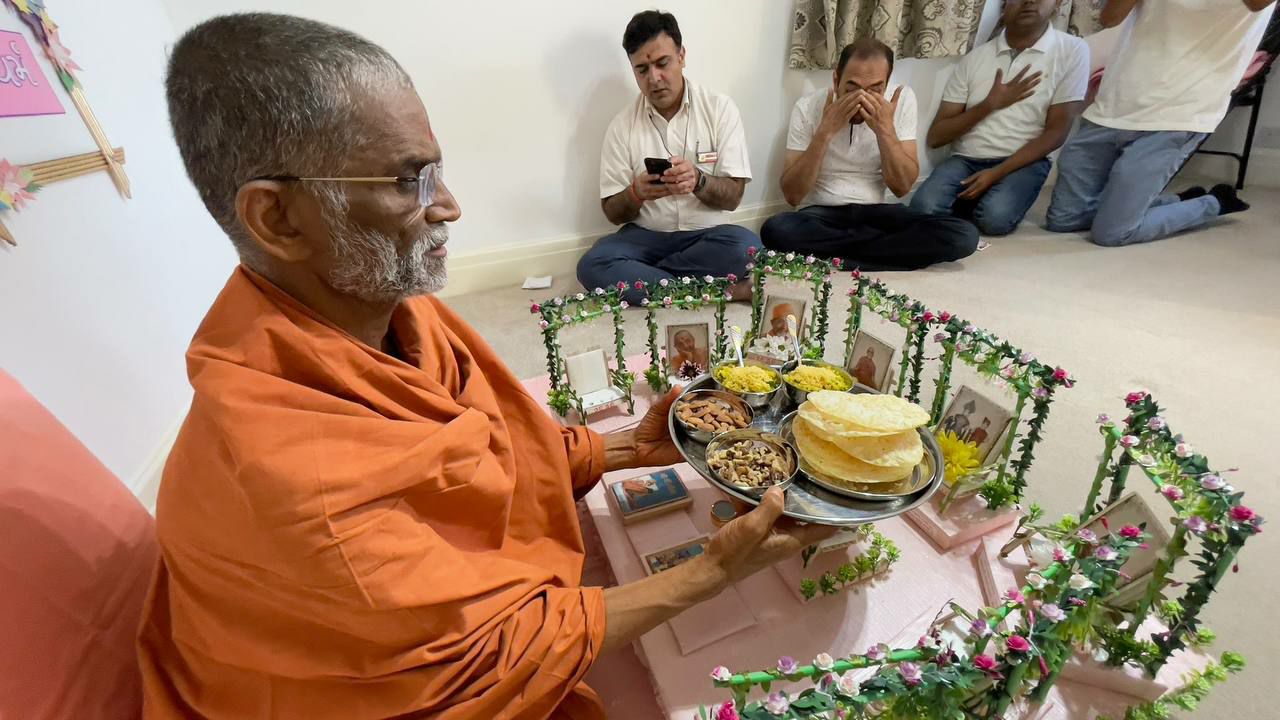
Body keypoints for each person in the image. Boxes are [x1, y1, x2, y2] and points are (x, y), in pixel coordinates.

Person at [140, 13, 833, 719]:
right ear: (279, 219)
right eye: (408, 179)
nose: (449, 206)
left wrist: (623, 448)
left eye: (435, 170)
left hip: (708, 234)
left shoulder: (392, 310)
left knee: (744, 248)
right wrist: (714, 570)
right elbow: (494, 655)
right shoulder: (291, 475)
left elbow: (493, 452)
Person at [1046, 0, 1276, 246]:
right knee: (1064, 220)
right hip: (1116, 99)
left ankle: (1215, 203)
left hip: (1178, 113)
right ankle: (1172, 202)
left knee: (1112, 233)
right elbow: (1110, 18)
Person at [578, 10, 760, 305]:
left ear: (681, 56)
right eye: (642, 70)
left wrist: (698, 180)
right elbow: (612, 212)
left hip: (707, 236)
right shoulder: (621, 125)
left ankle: (651, 282)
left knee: (748, 250)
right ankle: (717, 291)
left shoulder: (720, 109)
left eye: (662, 63)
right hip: (646, 238)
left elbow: (733, 197)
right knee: (592, 264)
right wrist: (636, 193)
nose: (654, 78)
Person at [761, 39, 979, 269]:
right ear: (836, 80)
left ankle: (841, 258)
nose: (861, 99)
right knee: (776, 230)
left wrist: (885, 131)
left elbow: (901, 187)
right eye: (851, 89)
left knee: (964, 235)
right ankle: (883, 255)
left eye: (874, 90)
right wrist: (825, 132)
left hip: (877, 214)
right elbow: (793, 195)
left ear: (886, 85)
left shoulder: (901, 101)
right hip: (821, 215)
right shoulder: (807, 107)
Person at [910, 0, 1089, 237]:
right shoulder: (975, 58)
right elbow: (936, 137)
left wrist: (996, 174)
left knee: (994, 219)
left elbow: (1057, 133)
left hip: (1024, 162)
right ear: (1004, 5)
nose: (1029, 1)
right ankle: (975, 198)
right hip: (966, 159)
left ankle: (979, 199)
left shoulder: (1072, 50)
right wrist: (989, 105)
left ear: (1057, 4)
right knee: (922, 208)